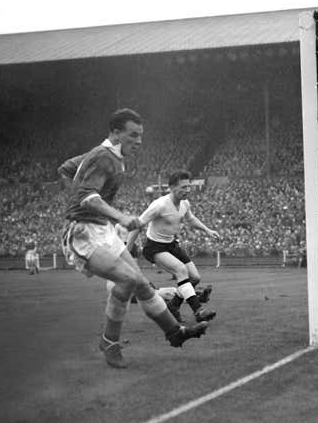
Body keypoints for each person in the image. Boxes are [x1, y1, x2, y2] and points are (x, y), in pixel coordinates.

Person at [60, 108, 208, 369]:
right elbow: (87, 196)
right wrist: (116, 216)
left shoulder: (107, 156)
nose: (138, 141)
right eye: (133, 135)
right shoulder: (104, 157)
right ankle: (110, 342)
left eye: (141, 136)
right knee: (127, 279)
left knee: (140, 282)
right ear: (115, 132)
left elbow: (67, 169)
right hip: (82, 232)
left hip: (101, 230)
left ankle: (175, 332)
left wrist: (75, 192)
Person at [127, 170, 219, 323]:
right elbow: (138, 225)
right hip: (154, 247)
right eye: (183, 187)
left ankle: (172, 306)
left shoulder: (185, 203)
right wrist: (126, 250)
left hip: (171, 244)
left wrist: (207, 230)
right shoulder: (159, 205)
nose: (187, 190)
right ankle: (198, 311)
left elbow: (190, 218)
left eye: (188, 187)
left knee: (194, 278)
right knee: (181, 270)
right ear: (171, 188)